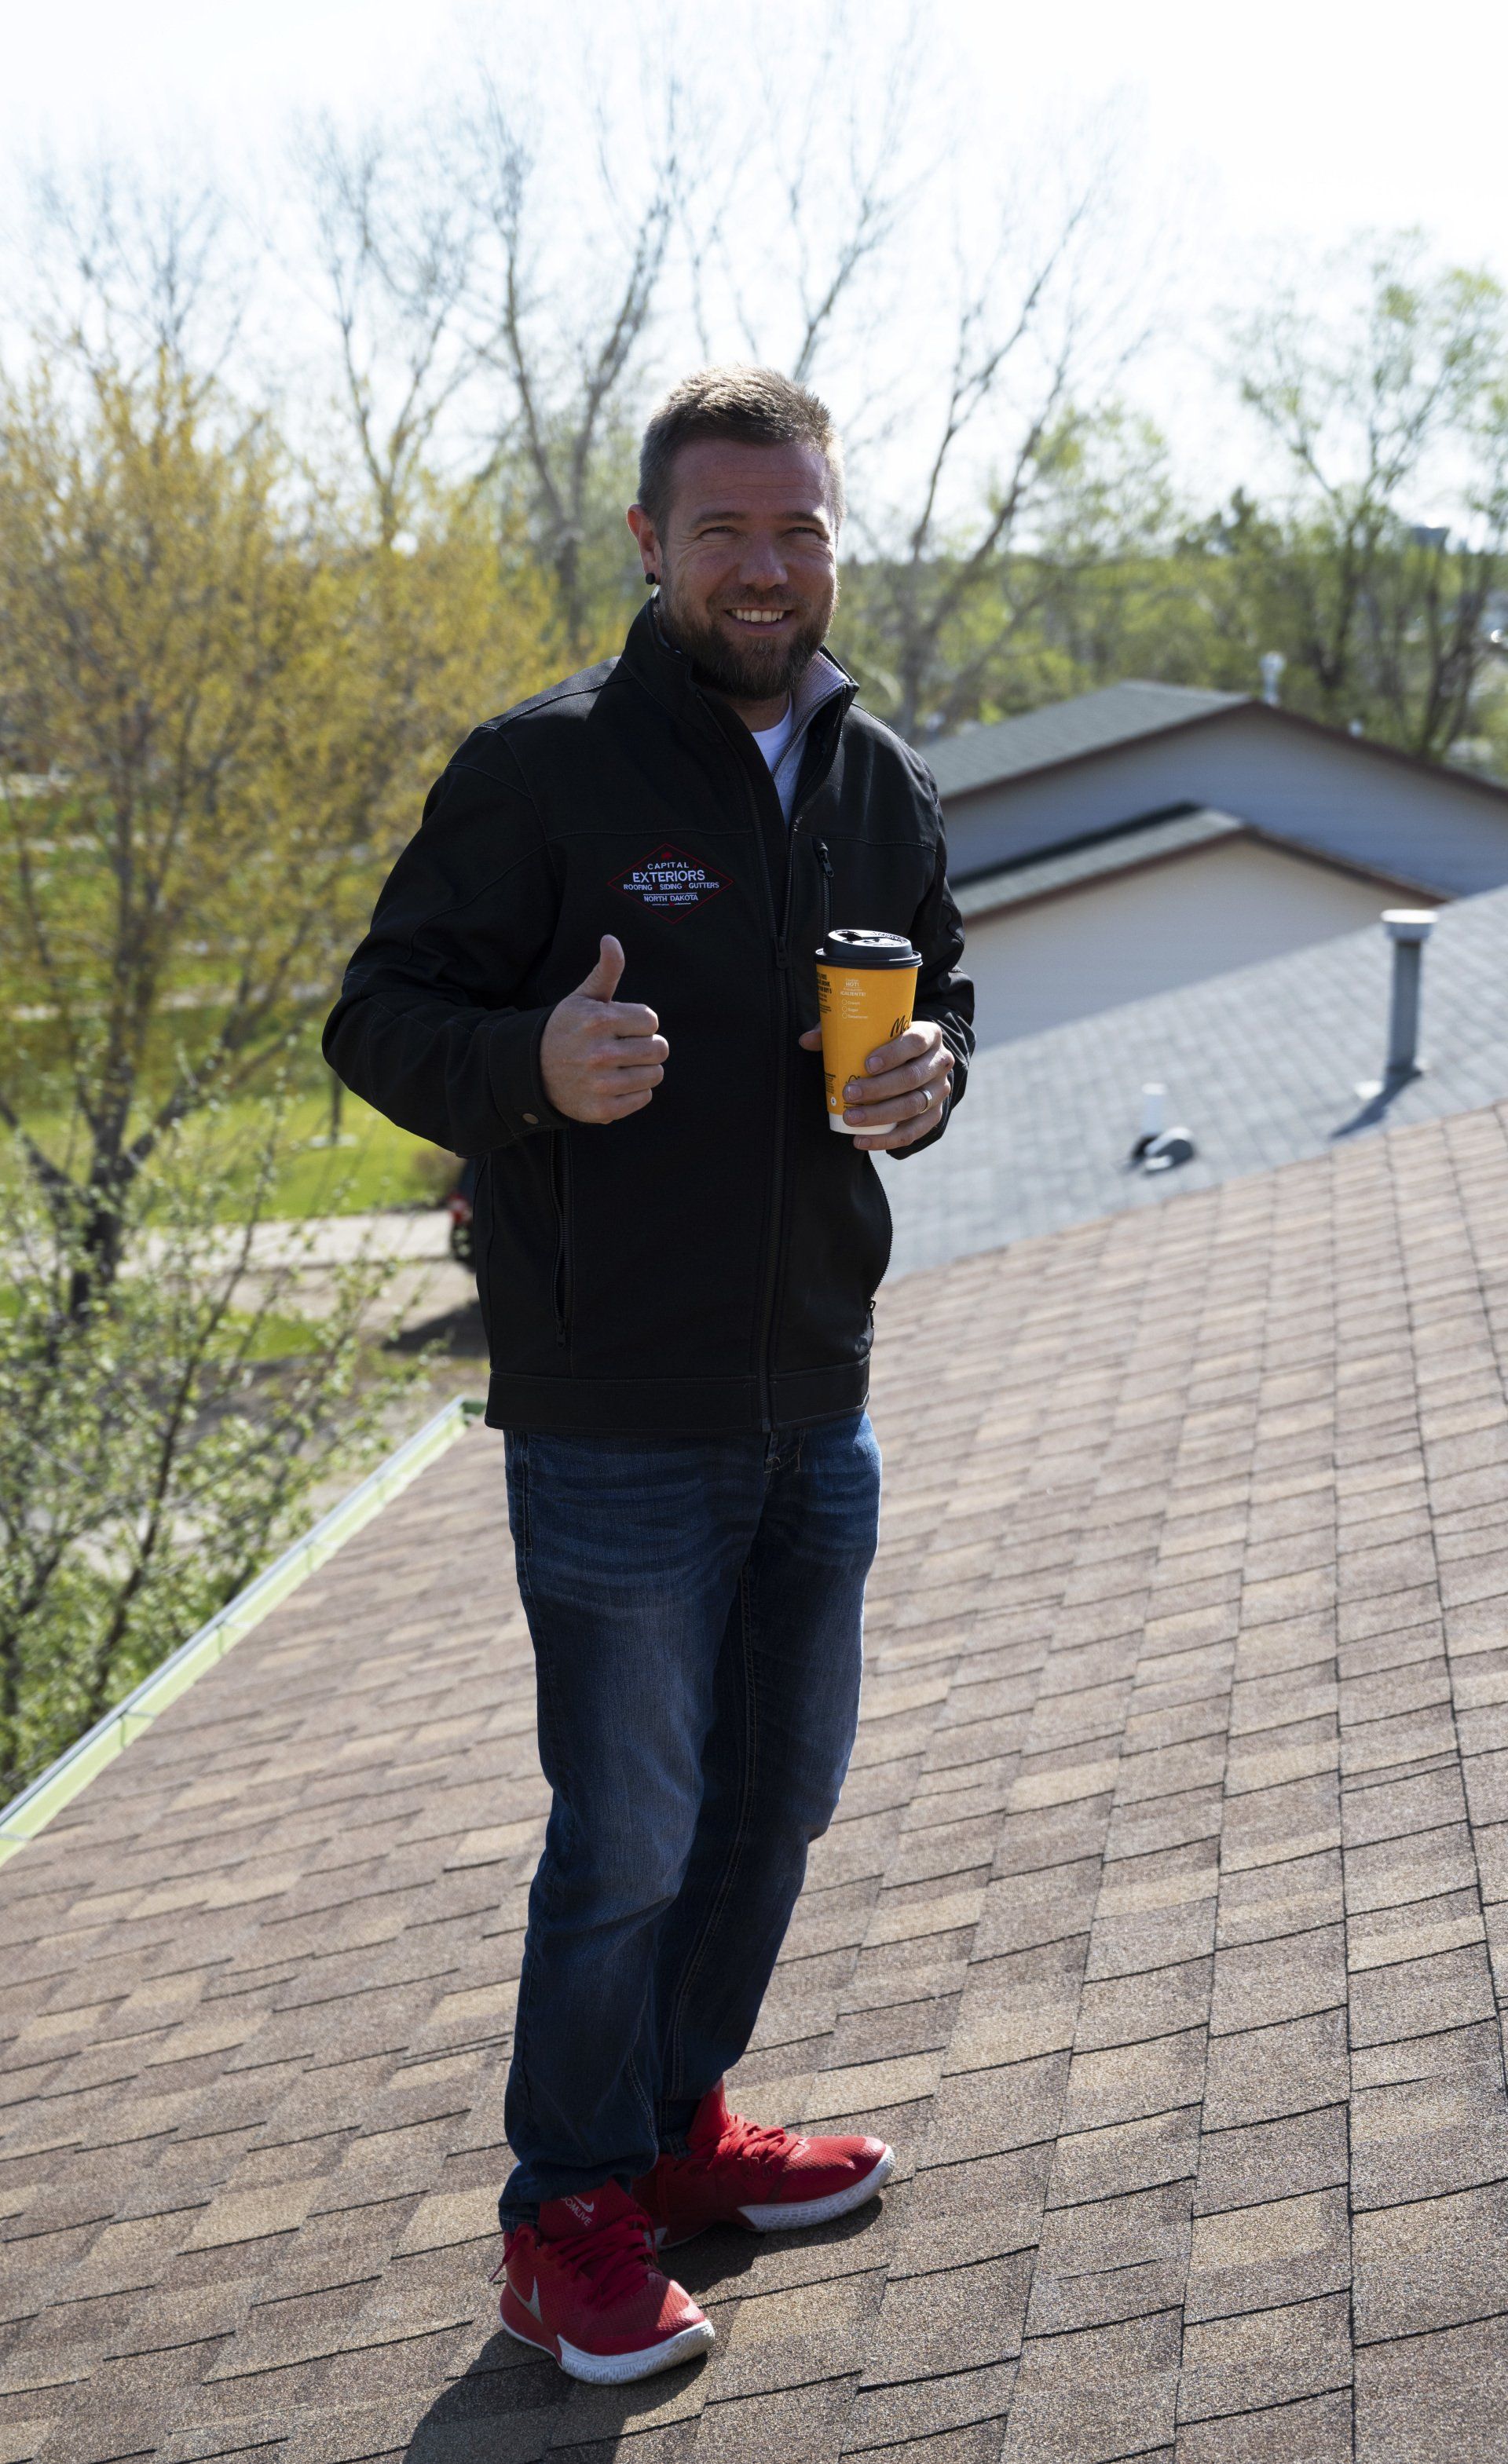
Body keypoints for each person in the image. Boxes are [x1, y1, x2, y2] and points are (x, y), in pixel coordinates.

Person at [324, 366, 974, 2386]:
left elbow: (940, 991)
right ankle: (563, 2214)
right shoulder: (545, 774)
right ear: (649, 544)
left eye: (797, 529)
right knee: (628, 1826)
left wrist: (937, 1074)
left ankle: (679, 2133)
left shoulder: (880, 776)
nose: (765, 567)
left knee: (778, 1798)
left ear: (832, 539)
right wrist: (531, 1066)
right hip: (615, 1409)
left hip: (817, 1382)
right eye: (724, 531)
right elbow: (378, 1017)